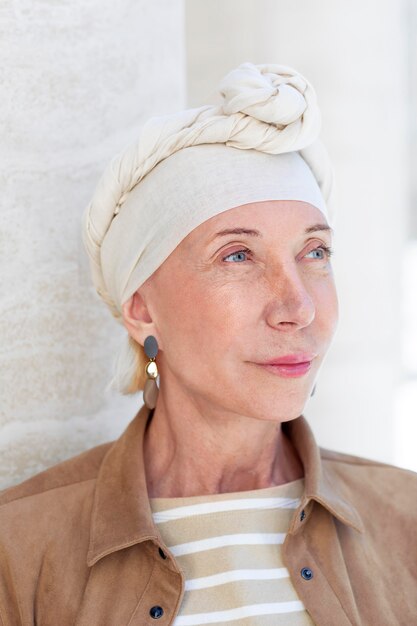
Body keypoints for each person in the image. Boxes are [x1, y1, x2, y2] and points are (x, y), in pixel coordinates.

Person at [0, 62, 416, 626]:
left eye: (314, 252)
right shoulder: (18, 551)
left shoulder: (406, 520)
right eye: (238, 256)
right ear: (142, 308)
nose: (298, 308)